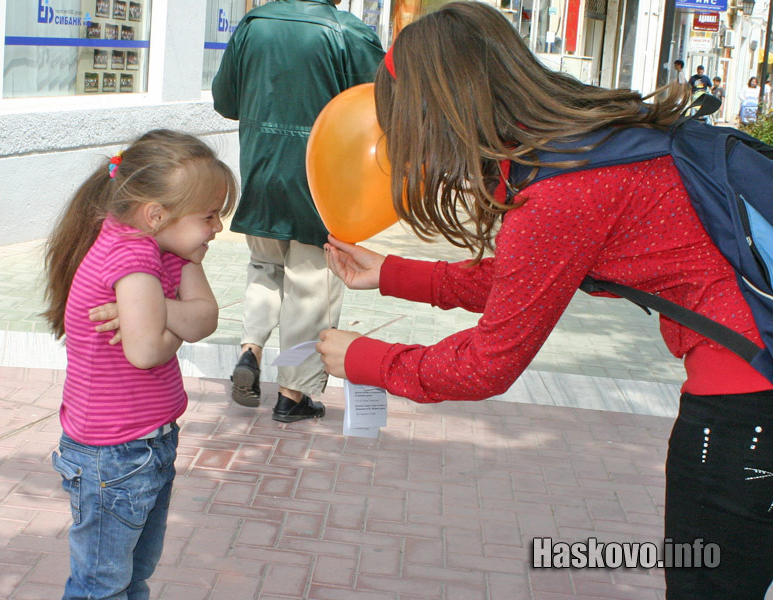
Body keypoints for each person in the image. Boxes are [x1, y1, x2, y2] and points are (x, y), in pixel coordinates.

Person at [315, 3, 773, 598]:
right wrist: (395, 274)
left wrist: (365, 360)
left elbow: (488, 364)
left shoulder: (561, 188)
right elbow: (524, 280)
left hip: (744, 400)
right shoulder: (587, 139)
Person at [42, 130, 237, 599]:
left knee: (133, 575)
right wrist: (166, 317)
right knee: (101, 585)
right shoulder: (130, 253)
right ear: (156, 214)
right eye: (209, 216)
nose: (218, 228)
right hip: (113, 455)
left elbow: (206, 317)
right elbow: (146, 350)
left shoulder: (173, 249)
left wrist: (156, 308)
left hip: (148, 444)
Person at [211, 0, 384, 422]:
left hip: (261, 169)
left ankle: (250, 352)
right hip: (320, 179)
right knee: (313, 284)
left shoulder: (253, 25)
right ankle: (293, 395)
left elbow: (224, 100)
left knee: (264, 266)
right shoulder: (349, 33)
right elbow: (383, 106)